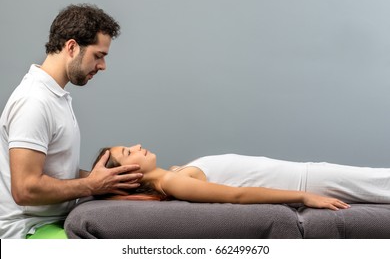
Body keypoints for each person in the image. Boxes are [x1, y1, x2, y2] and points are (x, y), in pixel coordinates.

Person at [0, 4, 142, 239]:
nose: (103, 66)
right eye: (99, 56)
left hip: (53, 221)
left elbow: (56, 173)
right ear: (72, 47)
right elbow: (25, 189)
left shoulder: (56, 96)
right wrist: (92, 185)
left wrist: (113, 180)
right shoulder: (34, 101)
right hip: (26, 232)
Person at [92, 144, 390, 210]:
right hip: (307, 182)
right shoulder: (173, 182)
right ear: (127, 176)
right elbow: (237, 195)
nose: (135, 147)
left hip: (309, 172)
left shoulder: (173, 174)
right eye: (128, 153)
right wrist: (302, 196)